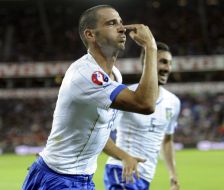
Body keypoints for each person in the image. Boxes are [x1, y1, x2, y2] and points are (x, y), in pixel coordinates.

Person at [22, 5, 159, 190]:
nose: (122, 28)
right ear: (90, 35)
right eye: (111, 23)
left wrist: (124, 156)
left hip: (72, 177)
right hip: (60, 178)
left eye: (121, 22)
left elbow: (98, 133)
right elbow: (146, 104)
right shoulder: (87, 74)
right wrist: (151, 47)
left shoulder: (115, 76)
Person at [104, 42, 181, 190]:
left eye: (170, 63)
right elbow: (99, 133)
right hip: (122, 172)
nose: (167, 68)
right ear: (148, 63)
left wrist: (173, 174)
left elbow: (167, 140)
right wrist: (124, 157)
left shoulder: (173, 102)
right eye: (163, 62)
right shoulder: (126, 95)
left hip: (144, 178)